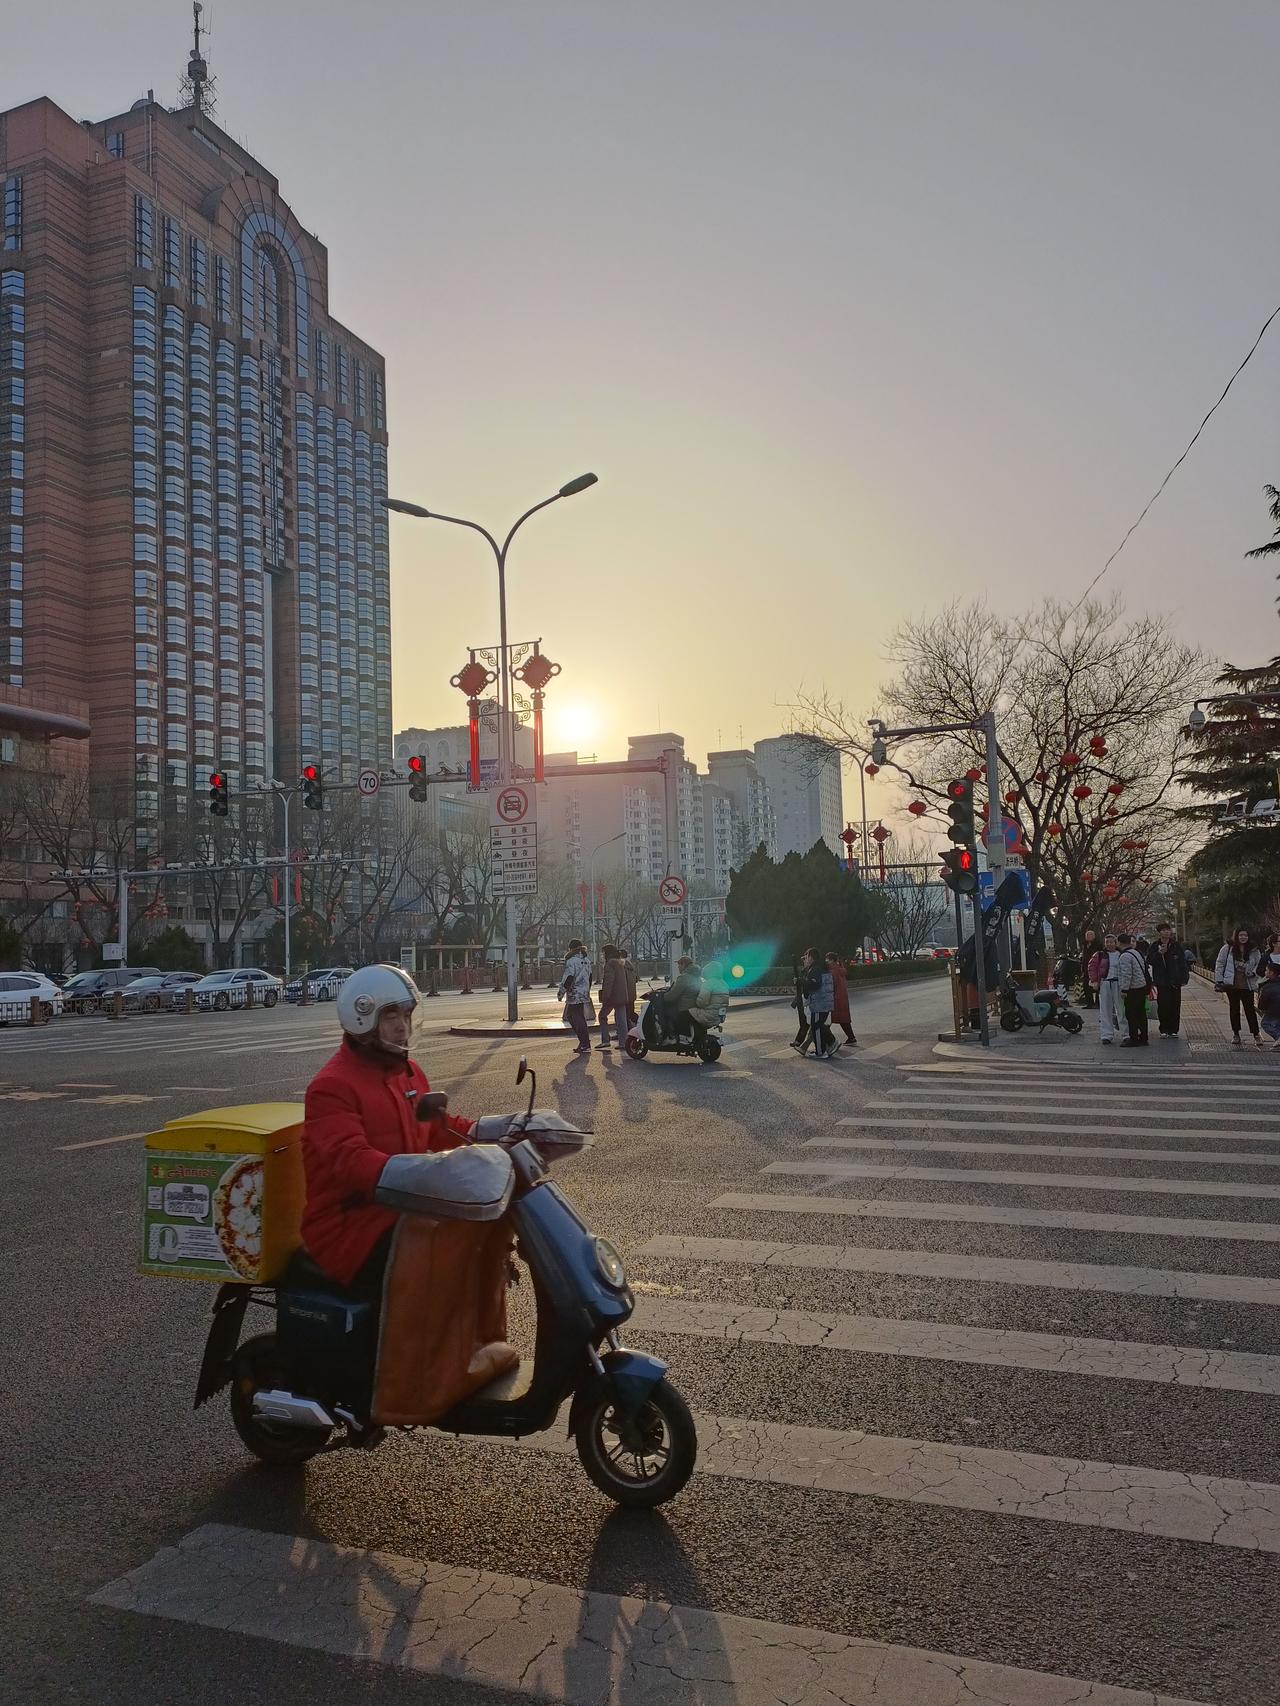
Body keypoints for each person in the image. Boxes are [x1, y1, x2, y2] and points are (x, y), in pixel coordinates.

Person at [301, 964, 476, 1294]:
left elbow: (437, 1127)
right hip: (349, 1227)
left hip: (402, 1209)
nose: (403, 1027)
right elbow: (352, 1161)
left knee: (478, 1240)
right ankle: (414, 1347)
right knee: (438, 1267)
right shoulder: (331, 1087)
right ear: (362, 1019)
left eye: (407, 1015)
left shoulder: (407, 1071)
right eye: (392, 1016)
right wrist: (429, 1172)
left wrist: (496, 1132)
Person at [1214, 927, 1264, 1048]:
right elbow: (1220, 964)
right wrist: (1219, 980)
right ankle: (1236, 1034)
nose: (1243, 937)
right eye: (1240, 935)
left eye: (1245, 935)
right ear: (1236, 936)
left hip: (1247, 984)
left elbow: (1259, 964)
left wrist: (1253, 973)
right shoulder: (1227, 948)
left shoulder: (1254, 950)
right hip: (1232, 984)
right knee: (1234, 1009)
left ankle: (1256, 1034)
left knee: (1250, 1010)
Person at [1148, 919, 1191, 1038]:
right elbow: (1150, 961)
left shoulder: (1176, 946)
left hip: (1175, 981)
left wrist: (1184, 978)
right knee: (1163, 1005)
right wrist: (1159, 953)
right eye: (1164, 930)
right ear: (1159, 933)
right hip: (1161, 981)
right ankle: (1164, 1029)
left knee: (1175, 1005)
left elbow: (1183, 963)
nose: (1166, 932)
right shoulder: (1154, 946)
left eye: (1168, 930)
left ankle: (1173, 1029)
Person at [1114, 931, 1150, 1048]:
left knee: (1131, 1014)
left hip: (1132, 989)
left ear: (1119, 943)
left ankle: (1133, 1038)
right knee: (1141, 1013)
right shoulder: (1136, 953)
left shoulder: (1125, 956)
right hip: (1141, 986)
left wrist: (1124, 990)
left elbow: (1126, 974)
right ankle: (1144, 1037)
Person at [558, 939, 593, 1055]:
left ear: (570, 949)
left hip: (574, 992)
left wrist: (561, 992)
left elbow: (568, 978)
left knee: (575, 1016)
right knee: (577, 1016)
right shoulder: (587, 960)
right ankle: (584, 1042)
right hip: (584, 992)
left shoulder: (571, 961)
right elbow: (590, 978)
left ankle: (584, 1042)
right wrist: (587, 990)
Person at [801, 946, 835, 1060]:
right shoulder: (820, 967)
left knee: (816, 1027)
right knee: (818, 1026)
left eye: (806, 956)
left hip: (819, 1003)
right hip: (823, 1003)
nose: (805, 959)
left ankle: (820, 1051)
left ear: (811, 957)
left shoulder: (815, 969)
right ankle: (829, 1045)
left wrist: (802, 981)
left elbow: (815, 984)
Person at [1089, 932, 1121, 1044]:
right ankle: (1106, 1035)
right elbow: (1091, 966)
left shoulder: (1121, 954)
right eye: (1107, 942)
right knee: (1105, 1010)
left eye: (1111, 942)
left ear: (1116, 943)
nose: (1109, 944)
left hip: (1118, 983)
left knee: (1121, 1009)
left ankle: (1125, 1034)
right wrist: (1094, 981)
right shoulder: (1100, 954)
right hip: (1105, 982)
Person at [597, 943, 628, 1052]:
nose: (602, 955)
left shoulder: (610, 964)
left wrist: (605, 997)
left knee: (602, 1016)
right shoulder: (620, 963)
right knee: (621, 1019)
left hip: (613, 996)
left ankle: (605, 1040)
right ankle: (624, 1042)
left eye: (603, 953)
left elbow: (608, 982)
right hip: (622, 995)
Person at [826, 951, 856, 1047]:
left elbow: (831, 986)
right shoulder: (840, 969)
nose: (825, 961)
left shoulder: (832, 971)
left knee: (825, 1022)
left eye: (827, 959)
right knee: (844, 1020)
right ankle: (851, 1037)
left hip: (835, 999)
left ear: (831, 960)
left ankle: (830, 1041)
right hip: (842, 998)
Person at [788, 958, 810, 1053]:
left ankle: (830, 1042)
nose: (804, 961)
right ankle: (799, 1041)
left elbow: (808, 982)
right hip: (803, 998)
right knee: (805, 1021)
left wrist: (799, 980)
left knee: (814, 1024)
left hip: (809, 999)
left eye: (805, 959)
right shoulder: (805, 970)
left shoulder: (812, 970)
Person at [1258, 959, 1280, 1049]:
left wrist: (1261, 1008)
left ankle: (1279, 1038)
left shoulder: (1267, 987)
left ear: (1271, 973)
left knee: (1265, 1023)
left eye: (1266, 970)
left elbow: (1262, 1003)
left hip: (1273, 1010)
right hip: (1276, 1009)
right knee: (1277, 1025)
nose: (1265, 971)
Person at [1079, 928, 1100, 1006]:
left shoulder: (1098, 945)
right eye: (1087, 935)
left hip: (1095, 968)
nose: (1089, 936)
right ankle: (1089, 1003)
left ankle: (1098, 1003)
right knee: (1086, 986)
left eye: (1090, 935)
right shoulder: (1084, 945)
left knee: (1097, 985)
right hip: (1086, 968)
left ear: (1094, 936)